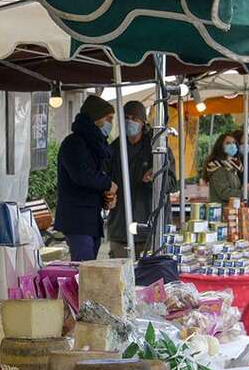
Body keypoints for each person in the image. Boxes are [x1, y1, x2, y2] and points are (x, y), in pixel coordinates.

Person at [106, 100, 175, 257]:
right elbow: (106, 181)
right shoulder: (114, 149)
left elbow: (171, 183)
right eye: (126, 118)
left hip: (150, 228)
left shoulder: (158, 149)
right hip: (120, 228)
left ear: (143, 122)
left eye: (134, 118)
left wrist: (156, 178)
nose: (129, 122)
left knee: (149, 277)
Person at [55, 95, 116, 261]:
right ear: (95, 118)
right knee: (84, 268)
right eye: (108, 118)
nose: (111, 123)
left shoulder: (96, 145)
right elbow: (82, 175)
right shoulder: (73, 143)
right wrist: (107, 183)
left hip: (91, 218)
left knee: (89, 266)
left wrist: (105, 196)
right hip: (77, 219)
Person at [203, 133, 249, 202]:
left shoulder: (233, 166)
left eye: (234, 143)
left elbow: (233, 188)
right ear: (220, 146)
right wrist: (247, 193)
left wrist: (244, 188)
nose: (232, 145)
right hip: (221, 210)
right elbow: (224, 193)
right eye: (228, 143)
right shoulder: (217, 166)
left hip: (231, 208)